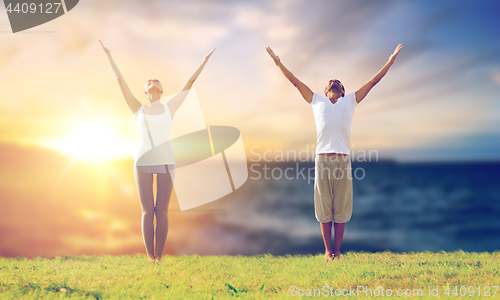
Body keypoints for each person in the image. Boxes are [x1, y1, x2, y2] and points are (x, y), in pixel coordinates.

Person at [266, 44, 402, 260]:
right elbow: (294, 81)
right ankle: (328, 252)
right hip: (322, 160)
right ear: (326, 91)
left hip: (342, 161)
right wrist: (278, 62)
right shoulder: (316, 100)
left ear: (343, 92)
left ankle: (337, 253)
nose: (334, 82)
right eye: (331, 83)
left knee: (341, 208)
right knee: (323, 208)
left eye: (338, 83)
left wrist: (391, 60)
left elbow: (373, 81)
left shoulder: (350, 101)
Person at [100, 40, 215, 263]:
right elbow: (120, 80)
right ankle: (149, 257)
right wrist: (109, 55)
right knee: (147, 211)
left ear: (161, 90)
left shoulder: (170, 108)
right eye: (149, 81)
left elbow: (190, 82)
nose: (153, 82)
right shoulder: (138, 108)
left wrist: (203, 61)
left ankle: (159, 258)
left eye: (157, 81)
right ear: (145, 91)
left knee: (161, 211)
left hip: (165, 161)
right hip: (142, 161)